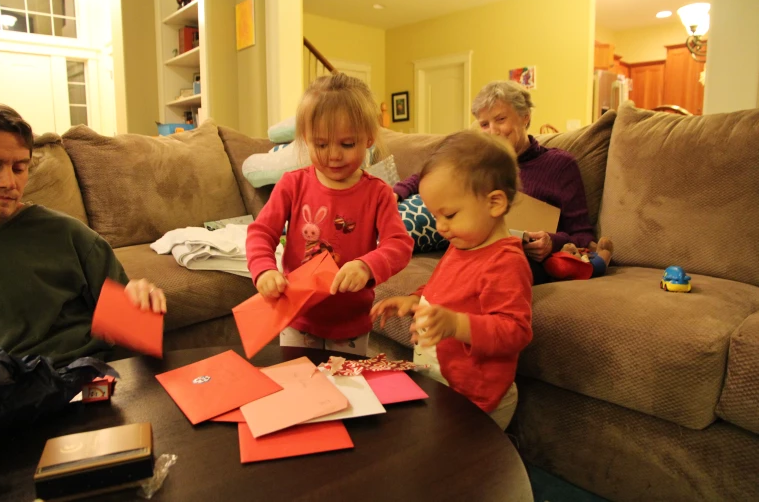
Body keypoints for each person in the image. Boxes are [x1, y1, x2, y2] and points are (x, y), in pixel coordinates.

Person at [0, 101, 166, 367]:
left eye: (20, 168)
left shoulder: (69, 236)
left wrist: (139, 301)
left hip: (74, 381)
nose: (9, 183)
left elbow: (135, 328)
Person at [373, 130, 532, 429]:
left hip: (479, 398)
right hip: (445, 383)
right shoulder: (463, 244)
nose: (440, 227)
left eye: (449, 214)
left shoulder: (505, 262)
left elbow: (515, 331)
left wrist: (457, 325)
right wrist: (415, 299)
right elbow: (444, 287)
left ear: (495, 203)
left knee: (468, 467)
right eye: (435, 216)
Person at [247, 74, 414, 355]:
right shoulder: (292, 184)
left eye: (347, 144)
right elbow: (261, 232)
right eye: (321, 145)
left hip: (351, 324)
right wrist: (263, 270)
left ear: (369, 139)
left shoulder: (378, 193)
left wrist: (367, 266)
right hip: (296, 316)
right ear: (305, 140)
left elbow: (399, 244)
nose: (333, 155)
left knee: (348, 394)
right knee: (300, 391)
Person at [393, 81, 595, 284]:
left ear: (525, 117)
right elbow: (428, 174)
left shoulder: (560, 165)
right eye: (484, 124)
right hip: (473, 251)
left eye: (500, 119)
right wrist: (395, 194)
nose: (493, 131)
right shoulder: (479, 158)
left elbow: (583, 236)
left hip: (522, 261)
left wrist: (552, 242)